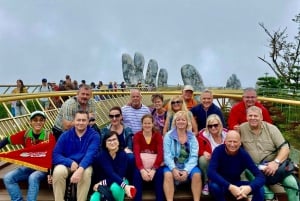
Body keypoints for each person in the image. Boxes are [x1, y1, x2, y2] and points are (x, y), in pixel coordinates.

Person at [240, 106, 300, 201]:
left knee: (292, 184)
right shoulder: (241, 129)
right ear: (246, 117)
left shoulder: (272, 129)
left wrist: (276, 162)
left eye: (256, 116)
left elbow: (285, 148)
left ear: (261, 117)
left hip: (274, 167)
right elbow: (232, 143)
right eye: (250, 116)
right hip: (254, 167)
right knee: (255, 178)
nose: (253, 118)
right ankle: (270, 197)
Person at [0, 111, 55, 201]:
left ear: (44, 122)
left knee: (33, 177)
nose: (38, 122)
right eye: (35, 120)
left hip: (43, 169)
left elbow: (53, 156)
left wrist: (51, 173)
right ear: (31, 122)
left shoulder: (49, 137)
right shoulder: (25, 134)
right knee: (8, 178)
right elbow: (7, 140)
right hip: (29, 166)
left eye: (41, 120)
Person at [51, 110, 100, 201]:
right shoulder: (65, 135)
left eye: (83, 120)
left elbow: (90, 155)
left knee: (86, 173)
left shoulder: (94, 135)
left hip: (85, 164)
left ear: (88, 121)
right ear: (74, 121)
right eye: (78, 120)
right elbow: (55, 155)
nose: (80, 123)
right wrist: (69, 162)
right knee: (58, 171)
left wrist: (80, 169)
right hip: (68, 164)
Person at [207, 130, 265, 201]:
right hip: (221, 184)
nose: (232, 144)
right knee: (214, 186)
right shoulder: (218, 151)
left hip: (236, 184)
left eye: (235, 142)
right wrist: (230, 187)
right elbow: (211, 172)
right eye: (229, 141)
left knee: (260, 188)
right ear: (225, 141)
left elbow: (260, 176)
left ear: (240, 143)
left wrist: (249, 188)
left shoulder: (243, 155)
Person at [163, 110, 201, 201]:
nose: (180, 122)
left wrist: (186, 170)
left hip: (188, 165)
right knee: (168, 174)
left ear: (187, 122)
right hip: (173, 165)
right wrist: (173, 168)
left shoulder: (192, 137)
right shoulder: (168, 136)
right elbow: (167, 155)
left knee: (197, 174)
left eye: (183, 120)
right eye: (178, 120)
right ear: (175, 122)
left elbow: (194, 156)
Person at [90, 131, 136, 201]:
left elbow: (119, 176)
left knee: (115, 187)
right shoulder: (102, 155)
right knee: (94, 199)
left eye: (114, 139)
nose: (112, 142)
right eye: (109, 140)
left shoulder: (123, 155)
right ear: (105, 144)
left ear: (118, 141)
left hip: (121, 180)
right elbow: (110, 173)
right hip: (104, 185)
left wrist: (102, 183)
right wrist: (101, 184)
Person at [133, 114, 164, 201]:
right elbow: (136, 154)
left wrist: (154, 169)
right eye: (145, 123)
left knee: (160, 174)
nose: (147, 125)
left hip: (155, 166)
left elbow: (160, 154)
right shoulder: (137, 136)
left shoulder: (157, 136)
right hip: (142, 165)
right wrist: (142, 170)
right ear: (142, 124)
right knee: (136, 174)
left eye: (149, 123)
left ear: (153, 124)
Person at [197, 114, 228, 196]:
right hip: (211, 162)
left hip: (225, 160)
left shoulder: (227, 134)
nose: (213, 128)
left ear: (220, 124)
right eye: (210, 126)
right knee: (202, 159)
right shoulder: (203, 135)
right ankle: (207, 182)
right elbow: (197, 149)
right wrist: (203, 152)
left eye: (215, 125)